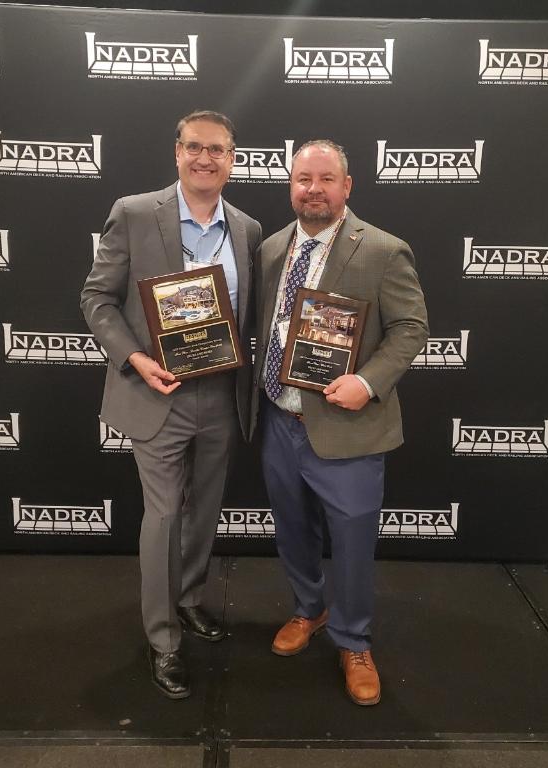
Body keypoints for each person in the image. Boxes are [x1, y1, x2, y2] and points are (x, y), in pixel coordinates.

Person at [81, 110, 261, 699]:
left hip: (223, 392)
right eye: (195, 147)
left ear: (232, 159)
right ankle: (163, 640)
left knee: (204, 510)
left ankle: (188, 599)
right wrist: (135, 359)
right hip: (157, 391)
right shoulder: (135, 213)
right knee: (162, 517)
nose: (205, 158)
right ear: (177, 152)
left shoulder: (247, 229)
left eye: (218, 149)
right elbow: (97, 300)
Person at [253, 139, 429, 706]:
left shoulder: (383, 249)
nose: (314, 190)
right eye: (303, 179)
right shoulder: (271, 248)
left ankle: (354, 641)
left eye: (326, 179)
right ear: (291, 186)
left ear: (346, 186)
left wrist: (369, 382)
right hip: (280, 419)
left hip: (348, 425)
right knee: (292, 530)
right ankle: (309, 609)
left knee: (352, 542)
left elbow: (411, 328)